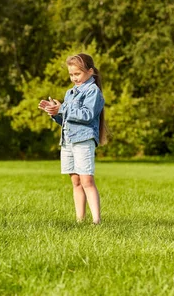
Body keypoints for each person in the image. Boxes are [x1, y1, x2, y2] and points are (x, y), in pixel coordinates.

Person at [39, 53, 107, 224]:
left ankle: (96, 220)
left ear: (90, 71)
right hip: (68, 140)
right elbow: (66, 120)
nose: (74, 78)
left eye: (77, 74)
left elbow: (87, 115)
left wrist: (63, 108)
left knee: (86, 180)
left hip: (83, 140)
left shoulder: (93, 92)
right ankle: (80, 219)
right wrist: (55, 112)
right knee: (76, 181)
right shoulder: (70, 93)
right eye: (71, 74)